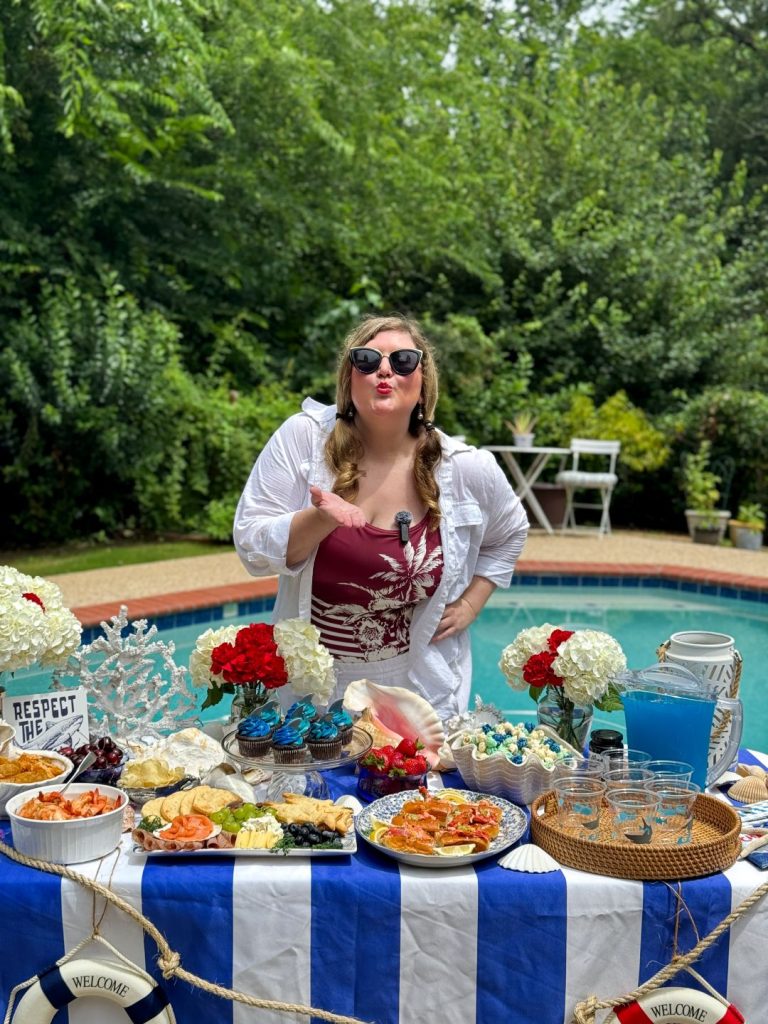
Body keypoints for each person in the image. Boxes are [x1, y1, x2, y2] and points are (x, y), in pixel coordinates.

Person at [233, 314, 528, 721]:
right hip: (312, 691)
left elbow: (511, 532)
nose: (385, 370)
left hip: (419, 693)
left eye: (403, 360)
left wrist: (470, 604)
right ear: (349, 378)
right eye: (367, 360)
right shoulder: (303, 440)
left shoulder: (464, 467)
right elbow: (251, 545)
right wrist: (321, 518)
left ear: (424, 379)